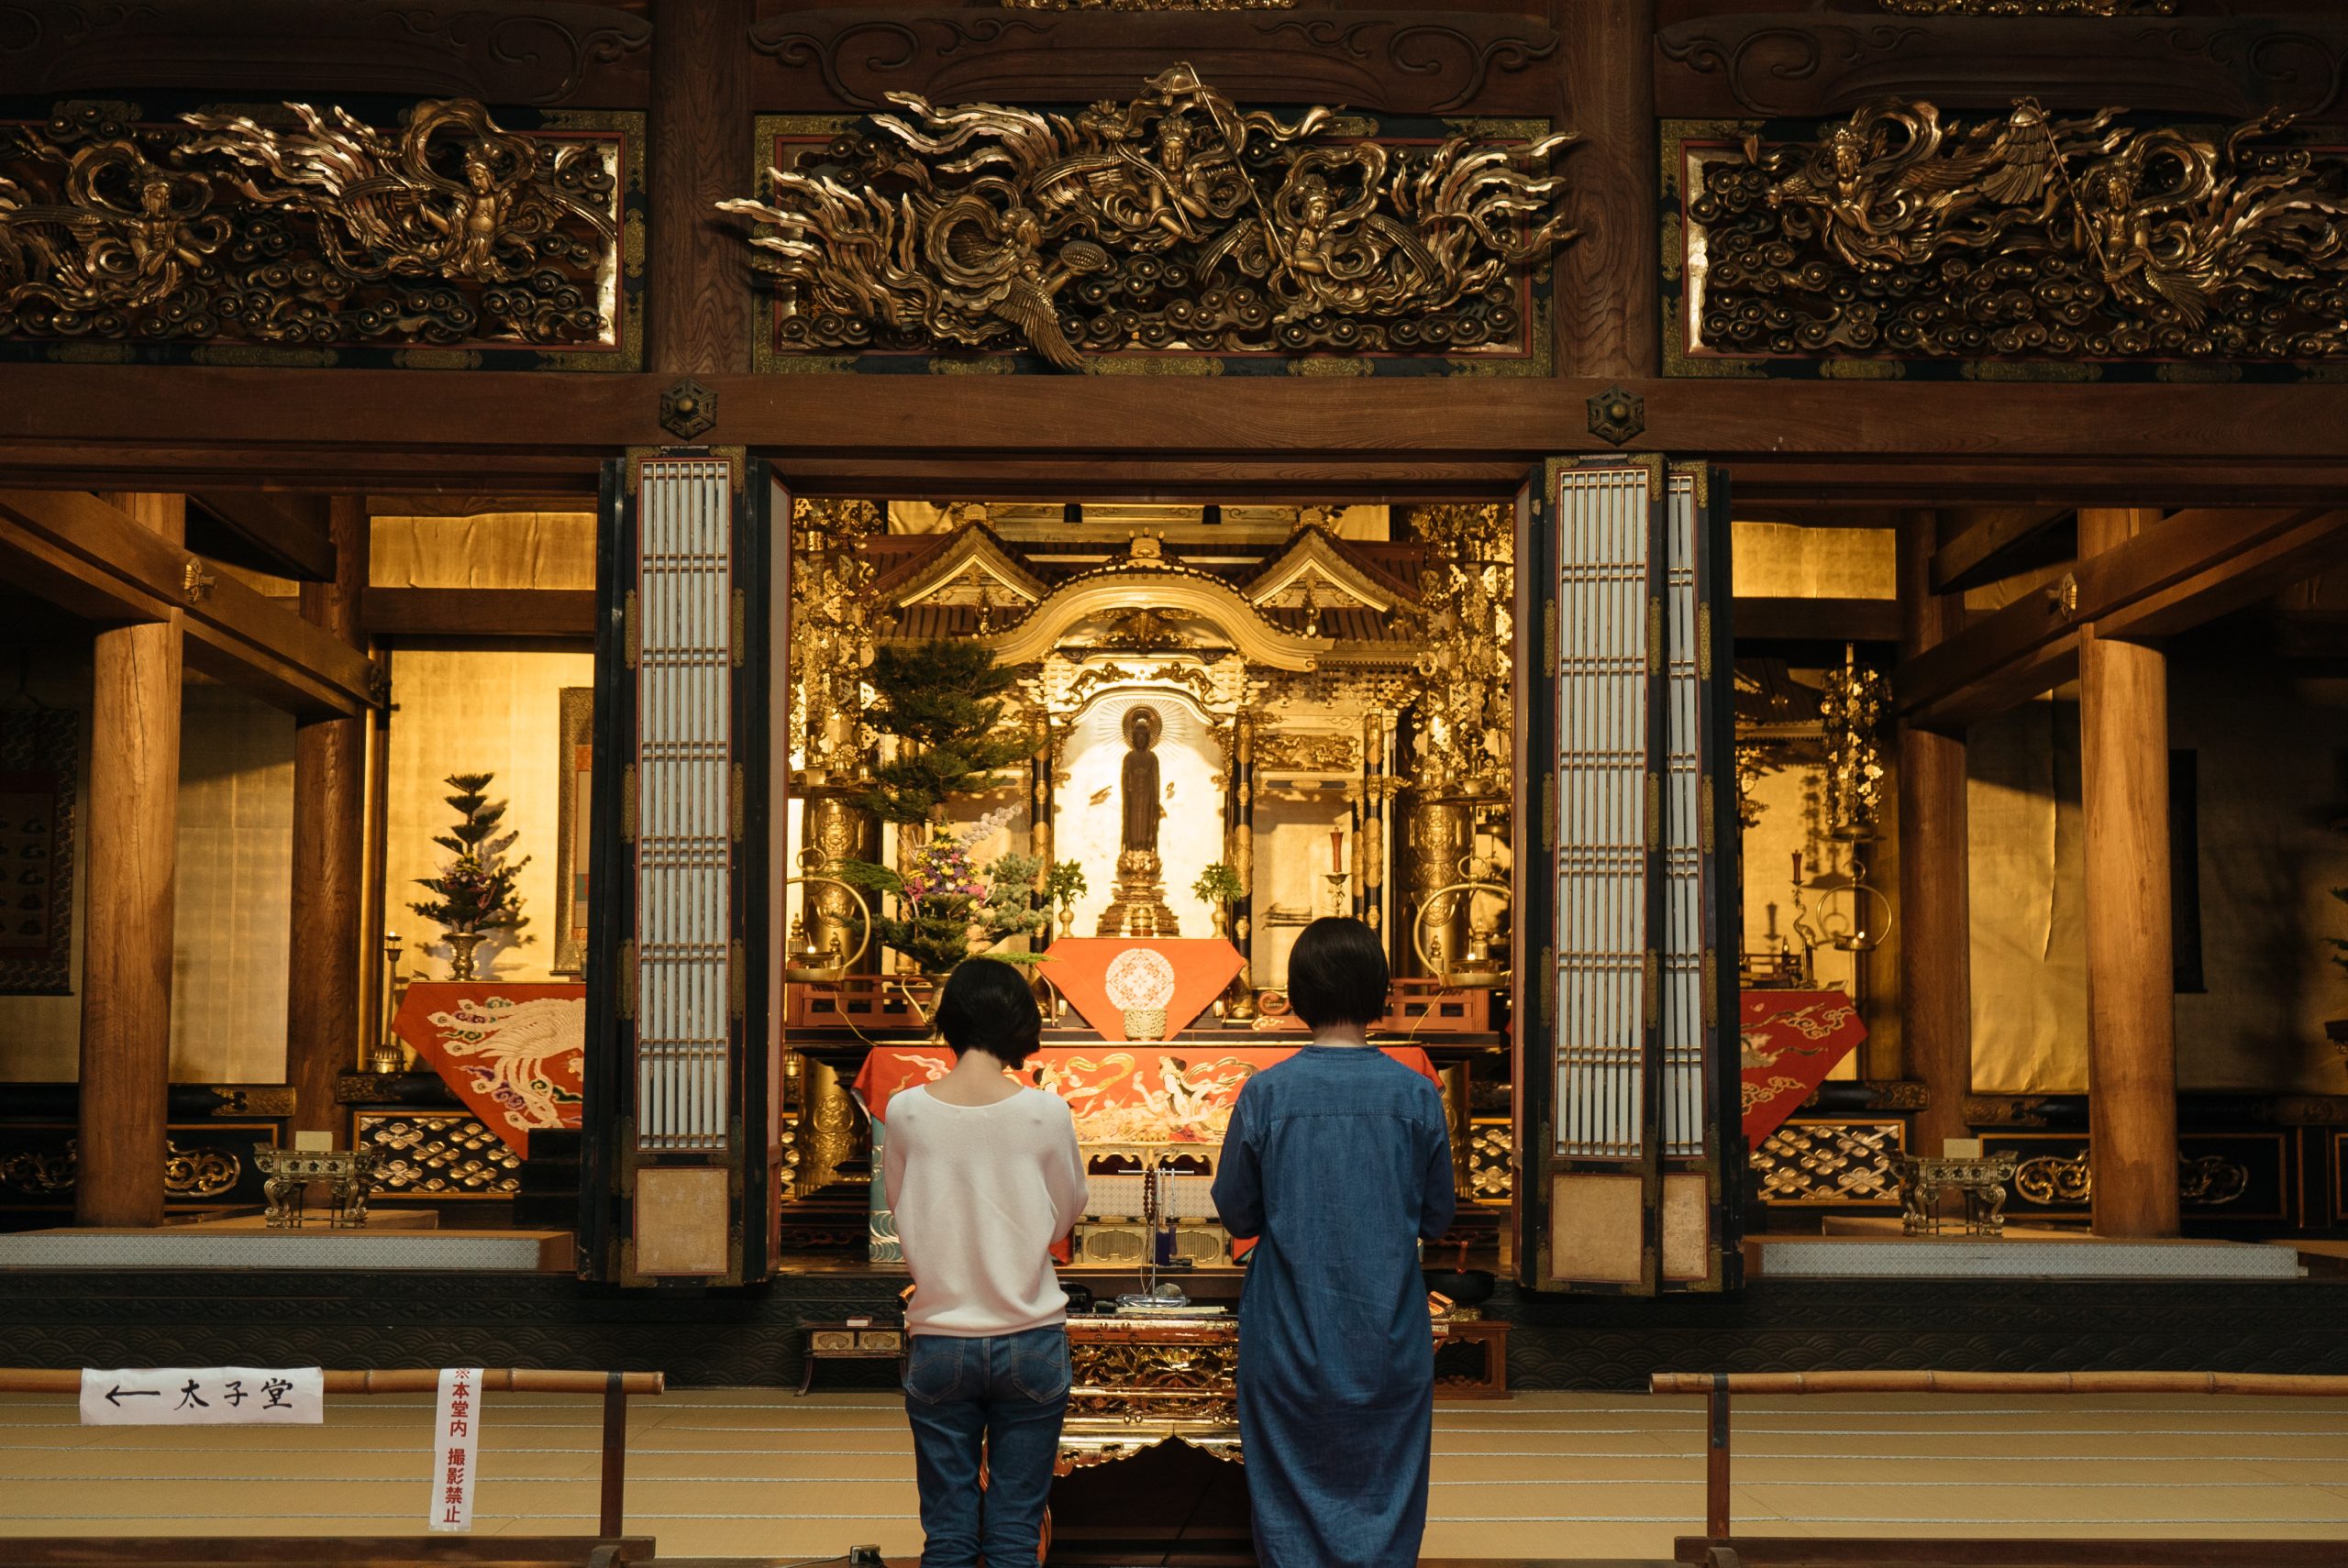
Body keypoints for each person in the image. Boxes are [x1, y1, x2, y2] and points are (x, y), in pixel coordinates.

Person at [1210, 916, 1456, 1568]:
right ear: (1378, 992)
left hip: (1288, 1328)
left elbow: (1236, 1213)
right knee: (1388, 1481)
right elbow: (1437, 1218)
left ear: (1298, 993)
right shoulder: (1416, 1093)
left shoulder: (1266, 1094)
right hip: (1389, 1329)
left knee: (1288, 1483)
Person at [882, 957, 1089, 1568]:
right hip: (1030, 1335)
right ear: (1018, 1022)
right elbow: (1066, 1213)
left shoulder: (906, 1112)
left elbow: (901, 1206)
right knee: (1014, 1535)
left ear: (948, 1020)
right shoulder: (1044, 1112)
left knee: (947, 1535)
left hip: (942, 1335)